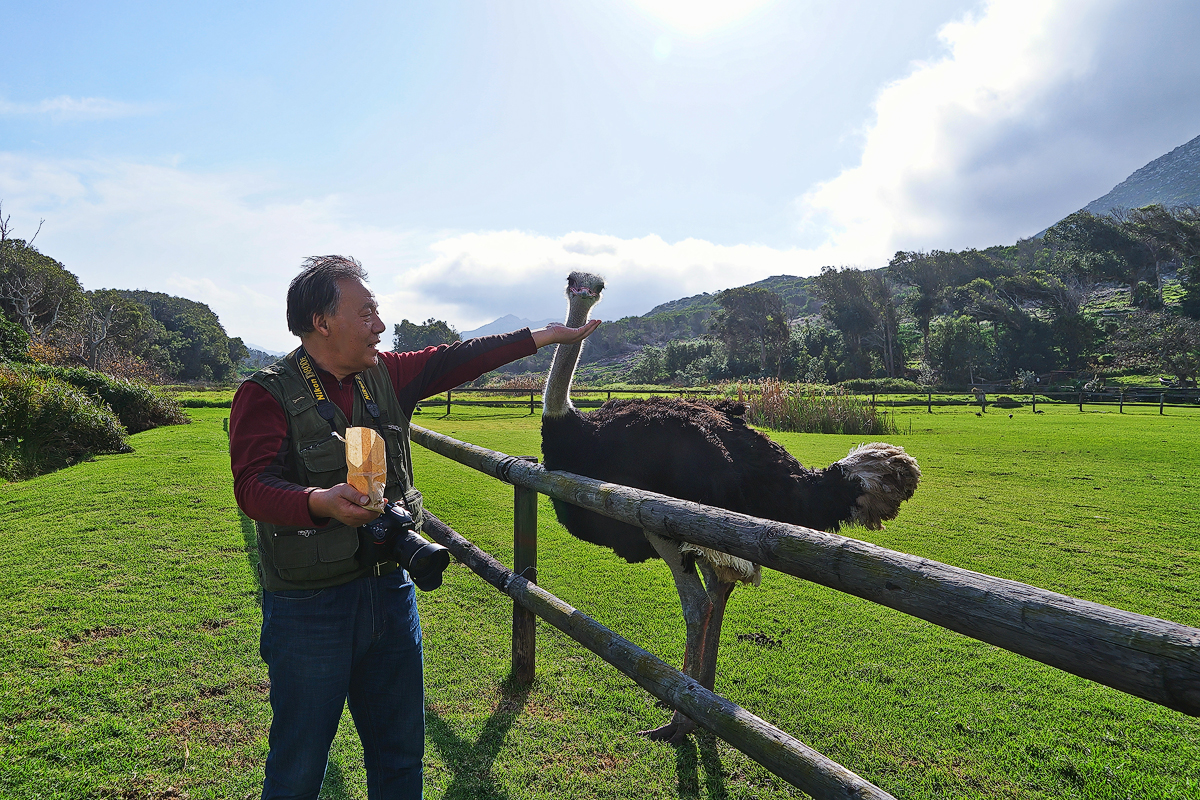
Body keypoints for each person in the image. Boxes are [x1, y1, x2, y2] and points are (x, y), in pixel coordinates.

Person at [229, 255, 599, 799]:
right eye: (368, 312)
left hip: (390, 590)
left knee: (400, 758)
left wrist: (544, 336)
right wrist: (320, 501)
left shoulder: (385, 377)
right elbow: (252, 486)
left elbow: (460, 357)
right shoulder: (265, 394)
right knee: (298, 765)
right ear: (322, 322)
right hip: (309, 608)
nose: (380, 324)